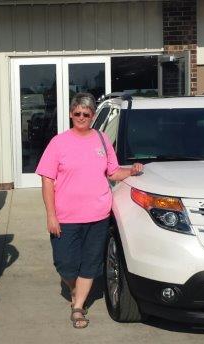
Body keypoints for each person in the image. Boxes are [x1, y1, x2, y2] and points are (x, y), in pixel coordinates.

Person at [35, 93, 143, 329]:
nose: (81, 117)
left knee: (91, 264)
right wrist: (51, 214)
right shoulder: (58, 143)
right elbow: (47, 180)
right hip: (65, 217)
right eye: (77, 113)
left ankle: (78, 307)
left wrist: (132, 171)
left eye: (86, 114)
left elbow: (113, 172)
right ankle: (75, 290)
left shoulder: (102, 140)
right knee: (64, 263)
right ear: (71, 115)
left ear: (93, 116)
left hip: (98, 216)